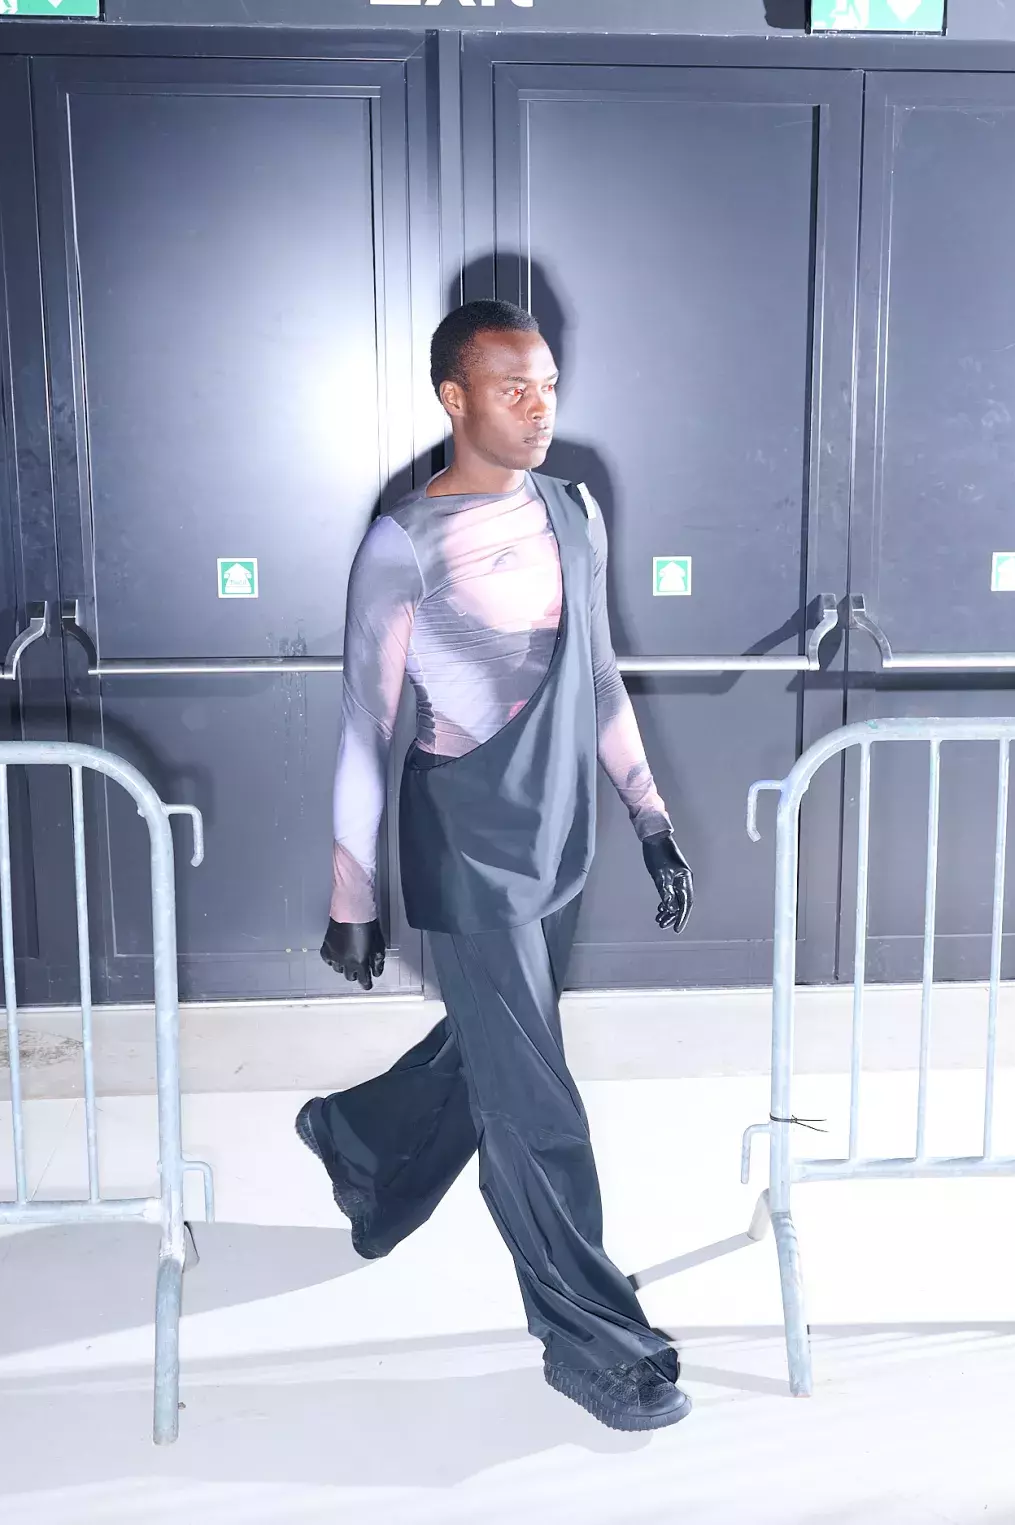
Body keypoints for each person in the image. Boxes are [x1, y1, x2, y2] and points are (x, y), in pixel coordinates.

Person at [295, 300, 696, 1432]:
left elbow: (601, 676)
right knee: (535, 1102)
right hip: (469, 845)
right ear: (453, 397)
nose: (538, 406)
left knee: (497, 1044)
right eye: (511, 386)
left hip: (561, 827)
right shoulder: (402, 544)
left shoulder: (575, 509)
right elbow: (364, 726)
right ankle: (592, 1341)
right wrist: (352, 894)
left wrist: (650, 819)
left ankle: (362, 1140)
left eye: (549, 384)